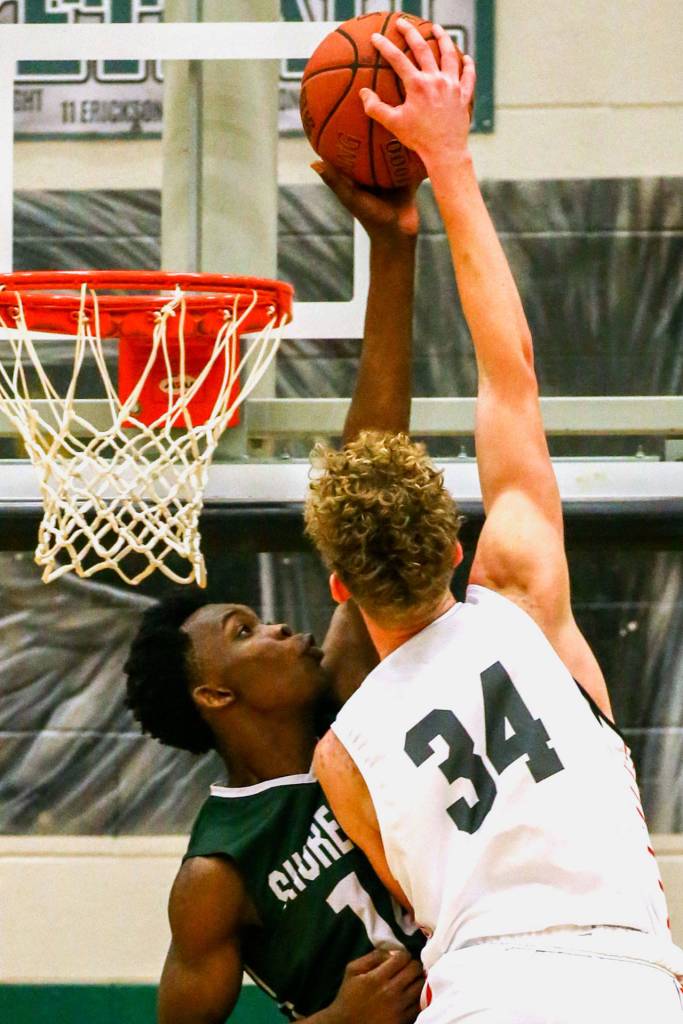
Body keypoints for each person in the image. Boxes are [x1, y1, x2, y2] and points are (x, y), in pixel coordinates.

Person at [306, 18, 683, 1024]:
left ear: (338, 583)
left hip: (480, 993)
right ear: (455, 545)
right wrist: (448, 160)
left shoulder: (341, 758)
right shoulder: (519, 593)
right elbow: (507, 368)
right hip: (624, 982)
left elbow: (418, 897)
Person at [124, 168, 426, 1024]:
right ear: (215, 695)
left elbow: (368, 474)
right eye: (243, 631)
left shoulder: (348, 687)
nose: (279, 627)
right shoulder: (217, 872)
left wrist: (392, 248)